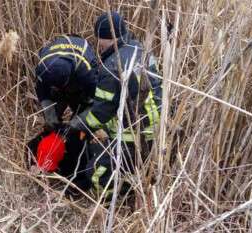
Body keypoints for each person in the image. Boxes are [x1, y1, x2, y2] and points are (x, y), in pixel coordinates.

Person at [69, 11, 162, 198]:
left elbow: (100, 114)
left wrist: (75, 125)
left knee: (95, 172)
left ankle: (115, 200)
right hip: (159, 131)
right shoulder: (141, 49)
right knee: (100, 148)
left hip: (133, 137)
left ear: (104, 38)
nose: (98, 46)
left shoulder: (112, 66)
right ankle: (135, 176)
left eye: (99, 41)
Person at [35, 35, 98, 130]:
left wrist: (78, 122)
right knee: (52, 120)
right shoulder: (42, 69)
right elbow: (42, 92)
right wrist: (50, 115)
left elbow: (97, 103)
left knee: (81, 116)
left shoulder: (86, 72)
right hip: (58, 71)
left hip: (79, 79)